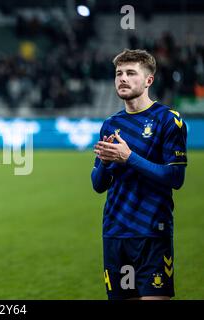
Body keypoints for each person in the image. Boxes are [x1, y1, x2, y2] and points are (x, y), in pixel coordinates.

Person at [91, 49, 187, 300]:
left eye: (131, 73)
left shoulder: (168, 120)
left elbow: (175, 177)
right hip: (115, 232)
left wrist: (128, 157)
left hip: (152, 232)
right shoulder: (111, 124)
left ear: (148, 80)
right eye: (118, 73)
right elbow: (98, 185)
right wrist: (104, 162)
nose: (122, 78)